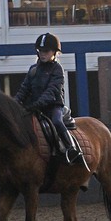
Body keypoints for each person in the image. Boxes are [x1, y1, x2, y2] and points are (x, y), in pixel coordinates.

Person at [15, 33, 82, 163]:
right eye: (40, 51)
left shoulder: (57, 69)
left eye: (46, 51)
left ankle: (72, 149)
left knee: (57, 121)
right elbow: (24, 89)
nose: (42, 54)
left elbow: (52, 91)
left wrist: (37, 104)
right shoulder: (33, 69)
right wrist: (14, 103)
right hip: (34, 107)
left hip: (53, 106)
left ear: (54, 52)